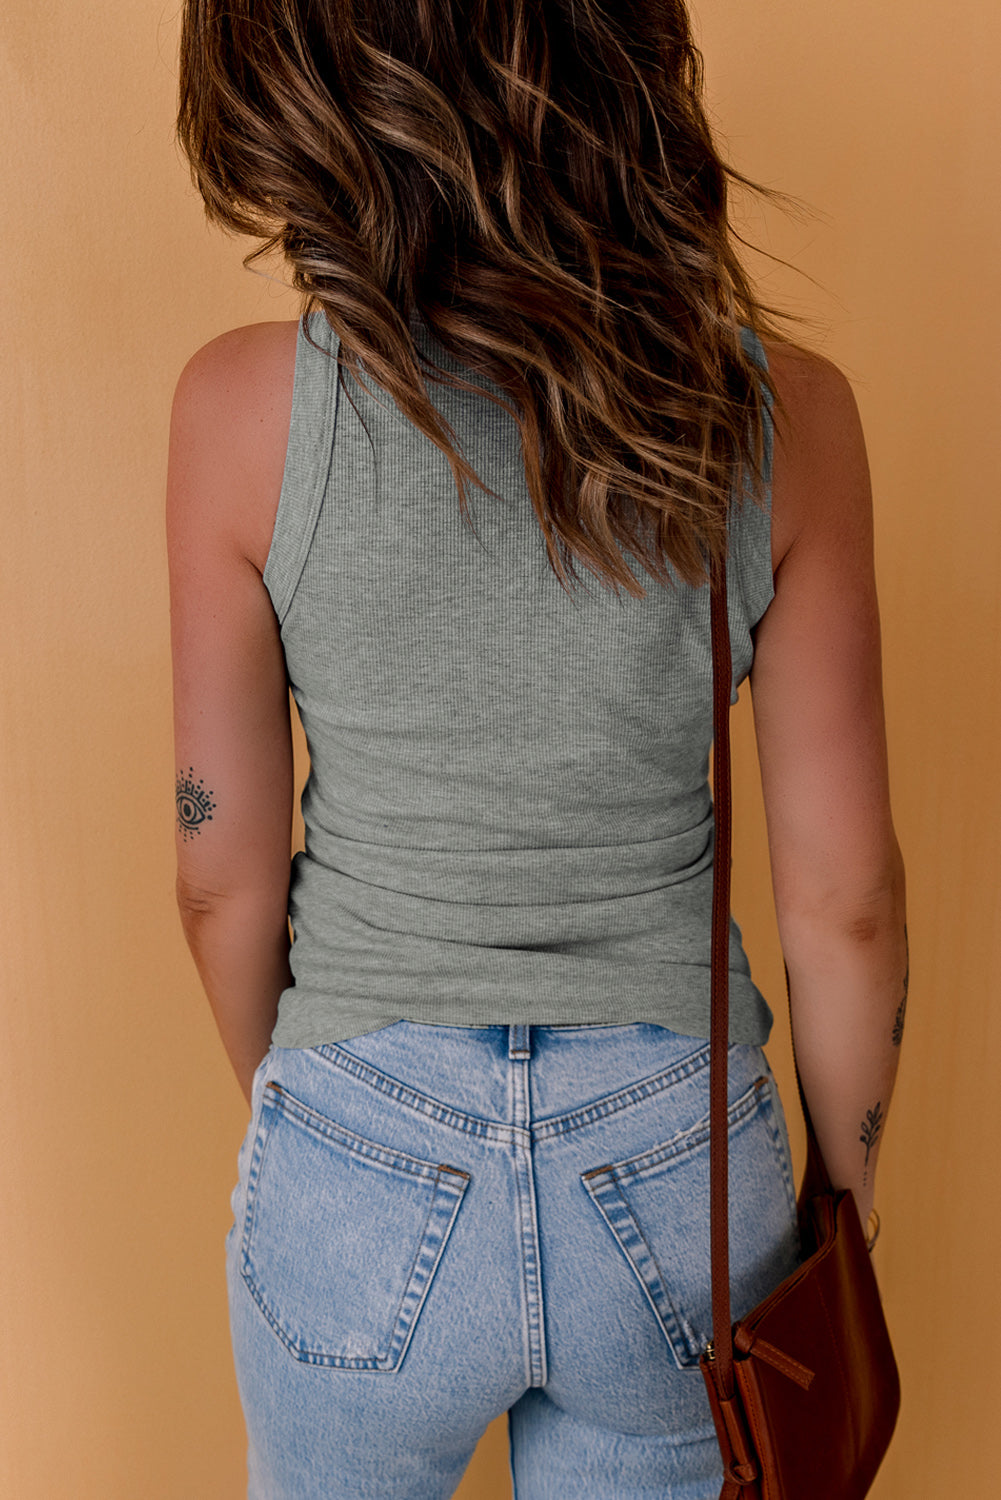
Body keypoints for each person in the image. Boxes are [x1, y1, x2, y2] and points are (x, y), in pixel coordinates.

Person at [167, 2, 907, 1496]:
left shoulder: (241, 412)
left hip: (360, 1136)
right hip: (674, 1163)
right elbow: (845, 904)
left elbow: (218, 877)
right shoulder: (781, 422)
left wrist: (316, 1107)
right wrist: (843, 1201)